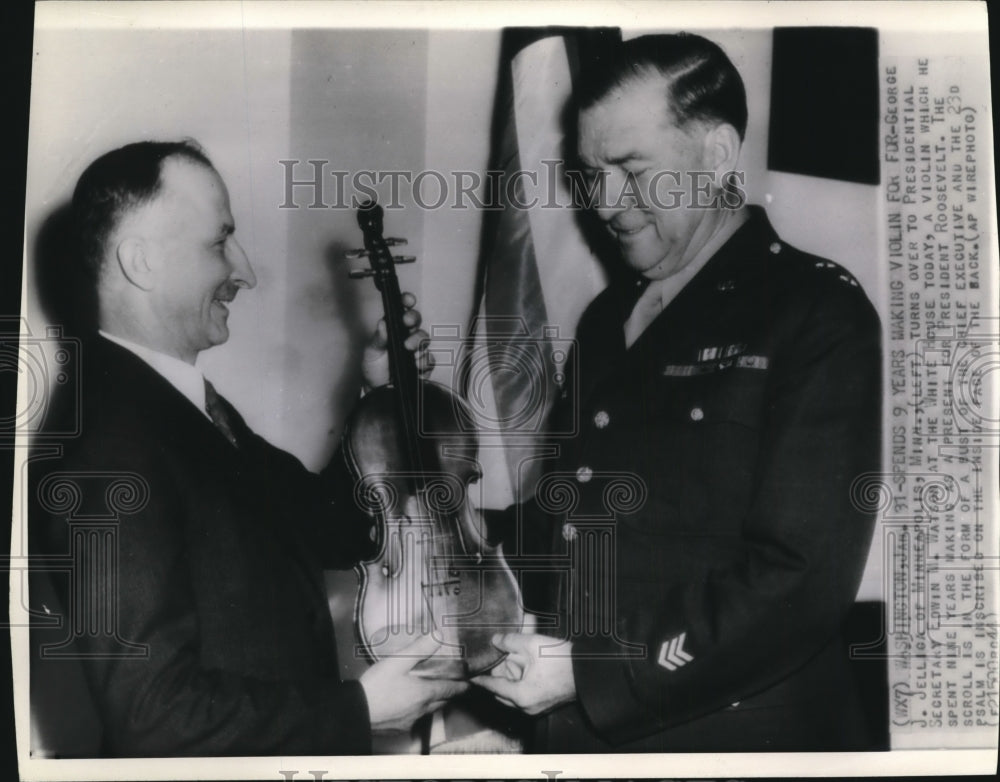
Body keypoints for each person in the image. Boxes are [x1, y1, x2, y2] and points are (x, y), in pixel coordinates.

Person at [474, 33, 883, 752]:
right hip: (583, 733)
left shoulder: (814, 311)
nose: (603, 202)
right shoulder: (607, 322)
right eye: (590, 174)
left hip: (733, 742)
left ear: (718, 154)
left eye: (631, 171)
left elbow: (800, 581)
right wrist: (455, 538)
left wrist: (588, 671)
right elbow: (568, 518)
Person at [29, 140, 465, 756]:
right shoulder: (105, 448)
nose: (247, 272)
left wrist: (377, 395)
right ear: (141, 262)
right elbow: (153, 715)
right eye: (218, 242)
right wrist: (361, 709)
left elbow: (325, 525)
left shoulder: (175, 407)